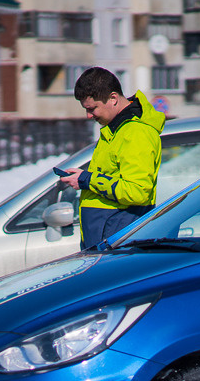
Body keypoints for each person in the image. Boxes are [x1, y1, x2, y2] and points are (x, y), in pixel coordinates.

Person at [58, 67, 165, 248]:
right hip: (108, 241)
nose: (89, 115)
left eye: (92, 108)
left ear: (113, 98)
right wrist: (84, 179)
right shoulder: (116, 128)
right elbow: (111, 177)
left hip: (118, 245)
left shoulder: (136, 132)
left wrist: (87, 179)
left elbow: (137, 191)